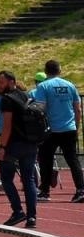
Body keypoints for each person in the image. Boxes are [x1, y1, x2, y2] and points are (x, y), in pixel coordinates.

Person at [0, 69, 42, 228]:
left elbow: (7, 126)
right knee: (28, 179)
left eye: (1, 82)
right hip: (31, 142)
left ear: (11, 81)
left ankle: (17, 211)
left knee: (7, 178)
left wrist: (2, 146)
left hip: (14, 144)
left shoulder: (7, 99)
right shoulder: (26, 95)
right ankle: (32, 217)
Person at [35, 59, 84, 204]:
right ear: (59, 70)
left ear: (46, 71)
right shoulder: (70, 85)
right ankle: (81, 189)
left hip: (51, 129)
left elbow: (41, 108)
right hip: (69, 128)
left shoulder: (43, 86)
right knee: (72, 159)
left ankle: (45, 191)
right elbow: (78, 108)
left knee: (46, 160)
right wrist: (76, 125)